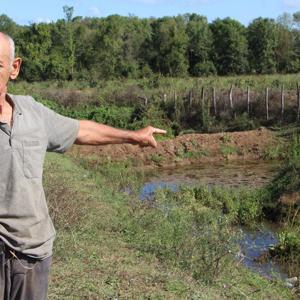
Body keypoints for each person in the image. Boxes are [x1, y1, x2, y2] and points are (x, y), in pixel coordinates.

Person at [0, 32, 166, 300]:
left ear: (14, 68)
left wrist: (133, 135)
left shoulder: (32, 113)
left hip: (32, 251)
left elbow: (80, 130)